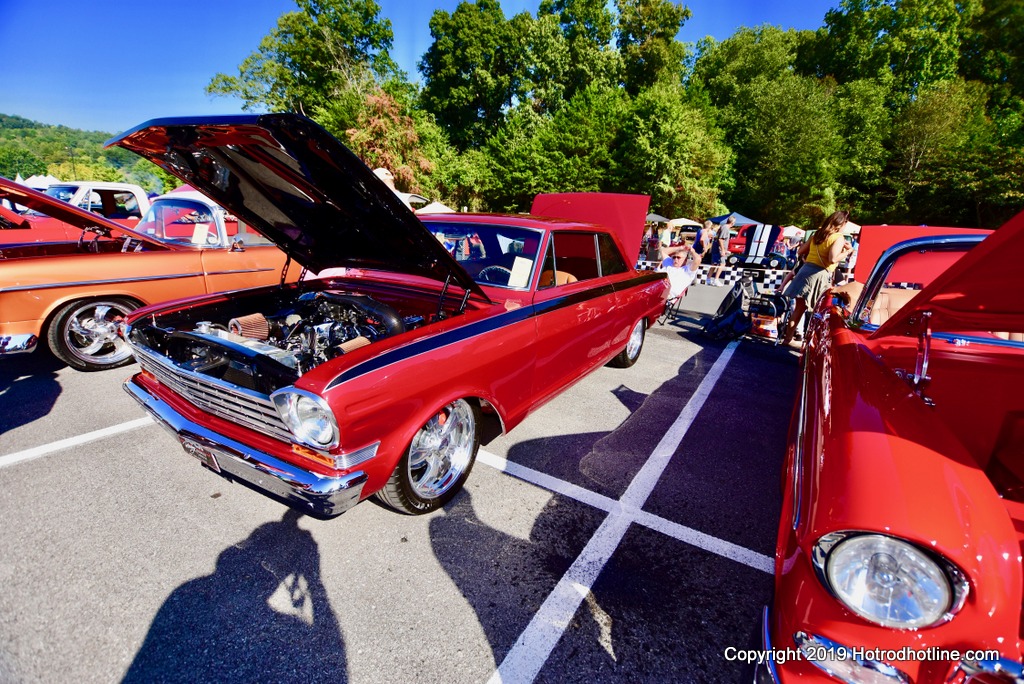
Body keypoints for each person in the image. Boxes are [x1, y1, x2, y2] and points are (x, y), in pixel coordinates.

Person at [780, 210, 855, 346]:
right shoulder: (838, 237)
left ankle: (787, 340)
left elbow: (800, 251)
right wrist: (848, 251)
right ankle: (811, 343)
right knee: (818, 311)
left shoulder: (817, 233)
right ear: (842, 224)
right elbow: (833, 259)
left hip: (805, 271)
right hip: (820, 275)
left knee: (798, 309)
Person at [707, 216, 735, 286]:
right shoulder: (726, 228)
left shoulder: (723, 226)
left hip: (717, 248)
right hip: (719, 249)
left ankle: (708, 279)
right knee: (722, 264)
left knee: (714, 263)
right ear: (732, 223)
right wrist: (723, 250)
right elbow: (721, 239)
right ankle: (716, 279)